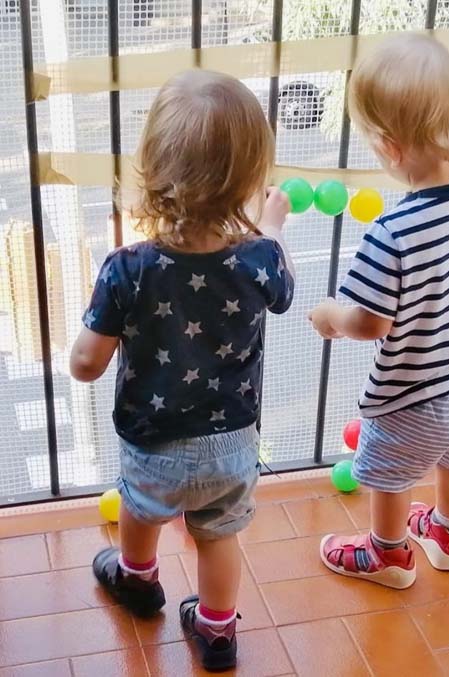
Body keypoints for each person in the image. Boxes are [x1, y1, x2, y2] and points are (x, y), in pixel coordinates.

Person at [70, 70, 294, 671]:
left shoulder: (128, 267)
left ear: (153, 167)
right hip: (230, 442)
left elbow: (86, 363)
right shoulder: (258, 259)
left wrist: (88, 338)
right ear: (249, 177)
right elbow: (284, 293)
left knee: (140, 509)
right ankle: (217, 633)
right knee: (218, 533)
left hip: (153, 439)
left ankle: (138, 581)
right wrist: (272, 229)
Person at [309, 33, 449, 589]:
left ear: (389, 146)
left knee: (387, 470)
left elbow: (370, 322)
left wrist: (332, 315)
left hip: (413, 395)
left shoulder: (394, 232)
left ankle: (388, 554)